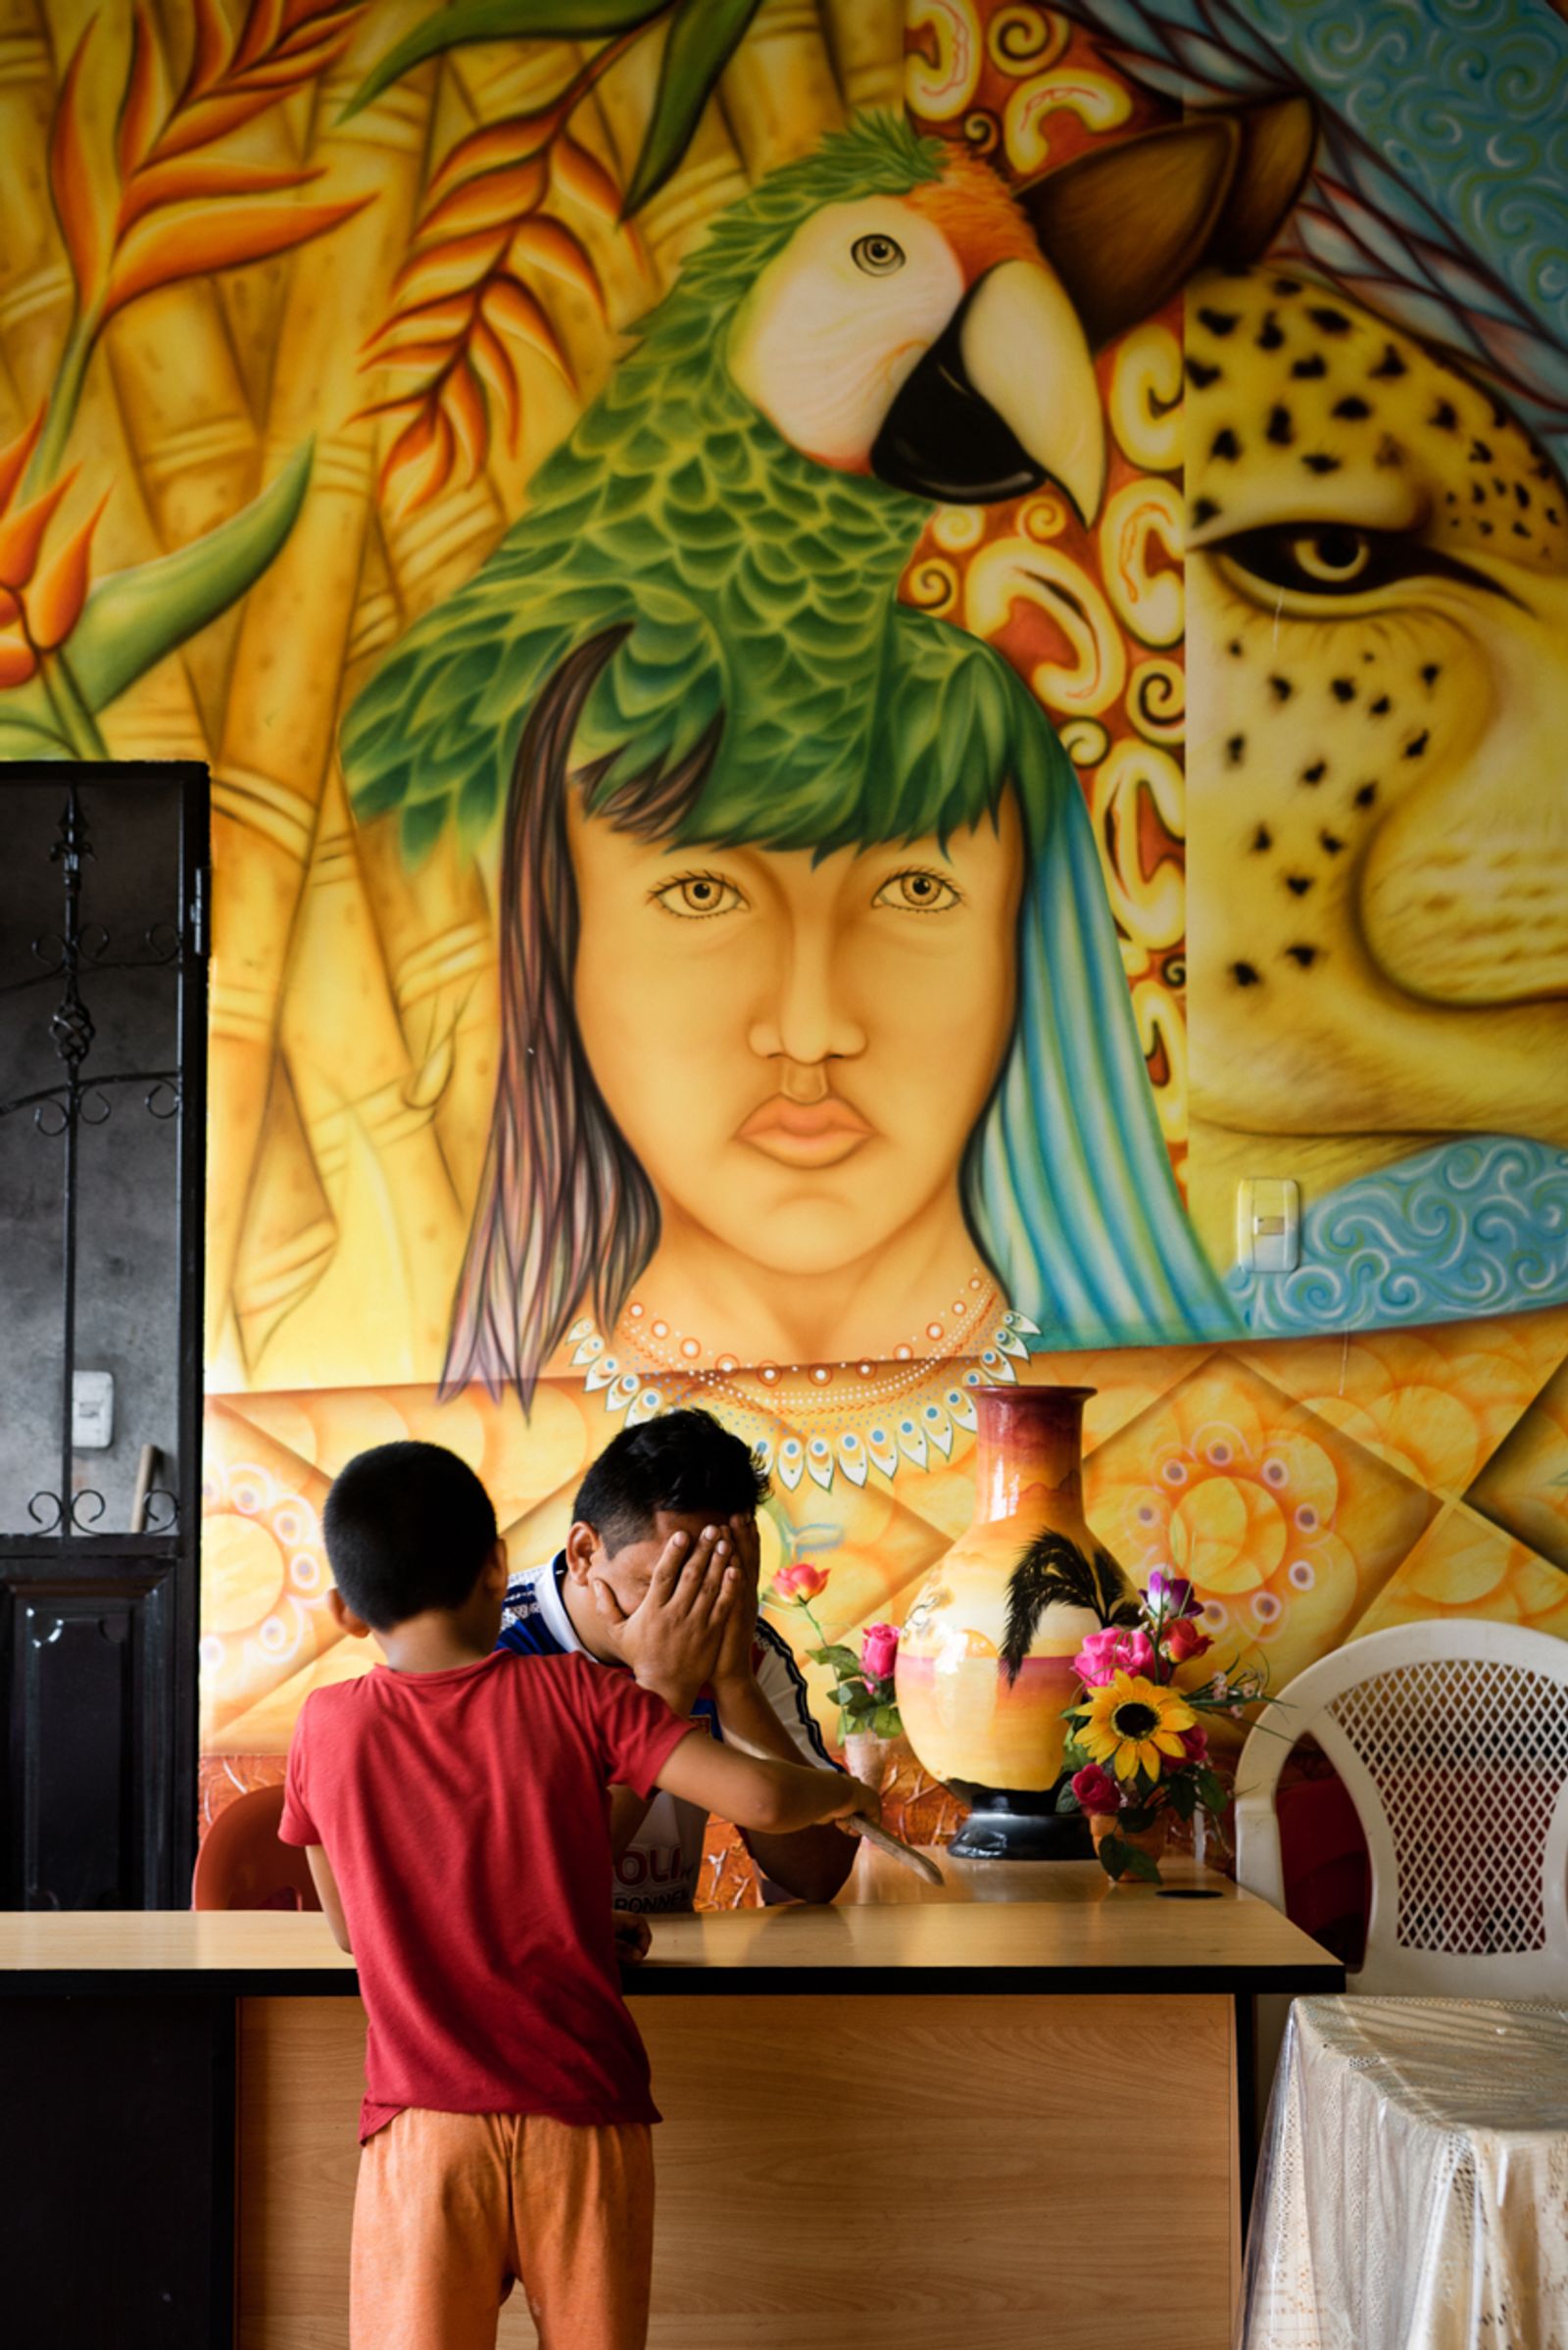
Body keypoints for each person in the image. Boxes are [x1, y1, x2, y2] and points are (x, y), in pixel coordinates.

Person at [279, 1438, 876, 2350]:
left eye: (722, 1581)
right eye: (669, 1581)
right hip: (583, 2107)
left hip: (422, 2119)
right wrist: (837, 1786)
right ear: (556, 1559)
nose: (697, 1607)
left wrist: (722, 1676)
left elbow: (354, 1930)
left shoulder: (323, 1723)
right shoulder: (565, 1686)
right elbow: (754, 1801)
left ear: (344, 1610)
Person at [499, 1407, 858, 1909]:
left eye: (712, 1580)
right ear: (583, 1552)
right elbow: (538, 1886)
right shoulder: (498, 1647)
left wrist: (734, 1684)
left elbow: (816, 1877)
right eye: (662, 1584)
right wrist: (662, 1688)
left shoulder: (741, 1647)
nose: (691, 1614)